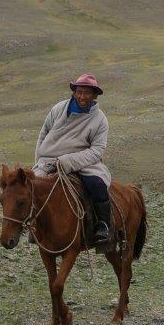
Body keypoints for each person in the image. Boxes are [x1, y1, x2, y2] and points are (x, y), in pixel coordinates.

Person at [34, 74, 113, 244]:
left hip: (84, 163)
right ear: (74, 92)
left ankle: (103, 226)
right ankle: (35, 226)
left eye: (86, 93)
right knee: (32, 186)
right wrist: (39, 161)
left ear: (94, 96)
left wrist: (68, 161)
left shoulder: (100, 120)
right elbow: (44, 134)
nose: (82, 96)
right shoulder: (58, 110)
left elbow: (97, 151)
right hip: (50, 159)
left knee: (97, 185)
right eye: (79, 92)